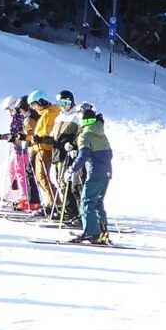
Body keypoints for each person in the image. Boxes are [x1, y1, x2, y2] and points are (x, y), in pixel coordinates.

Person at [68, 103, 115, 244]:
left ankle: (92, 233)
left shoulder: (85, 135)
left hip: (95, 173)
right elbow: (110, 153)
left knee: (87, 201)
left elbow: (83, 155)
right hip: (106, 172)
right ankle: (102, 230)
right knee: (97, 202)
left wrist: (71, 169)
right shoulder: (101, 133)